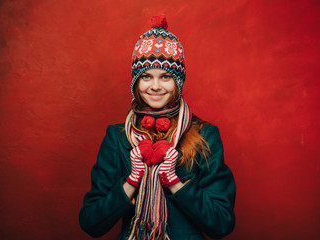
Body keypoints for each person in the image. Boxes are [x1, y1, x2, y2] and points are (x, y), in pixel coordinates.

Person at [79, 15, 236, 240]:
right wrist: (132, 181)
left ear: (178, 82)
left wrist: (174, 182)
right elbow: (91, 222)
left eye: (165, 77)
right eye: (145, 77)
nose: (155, 86)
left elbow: (222, 223)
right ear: (135, 82)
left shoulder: (205, 135)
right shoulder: (117, 137)